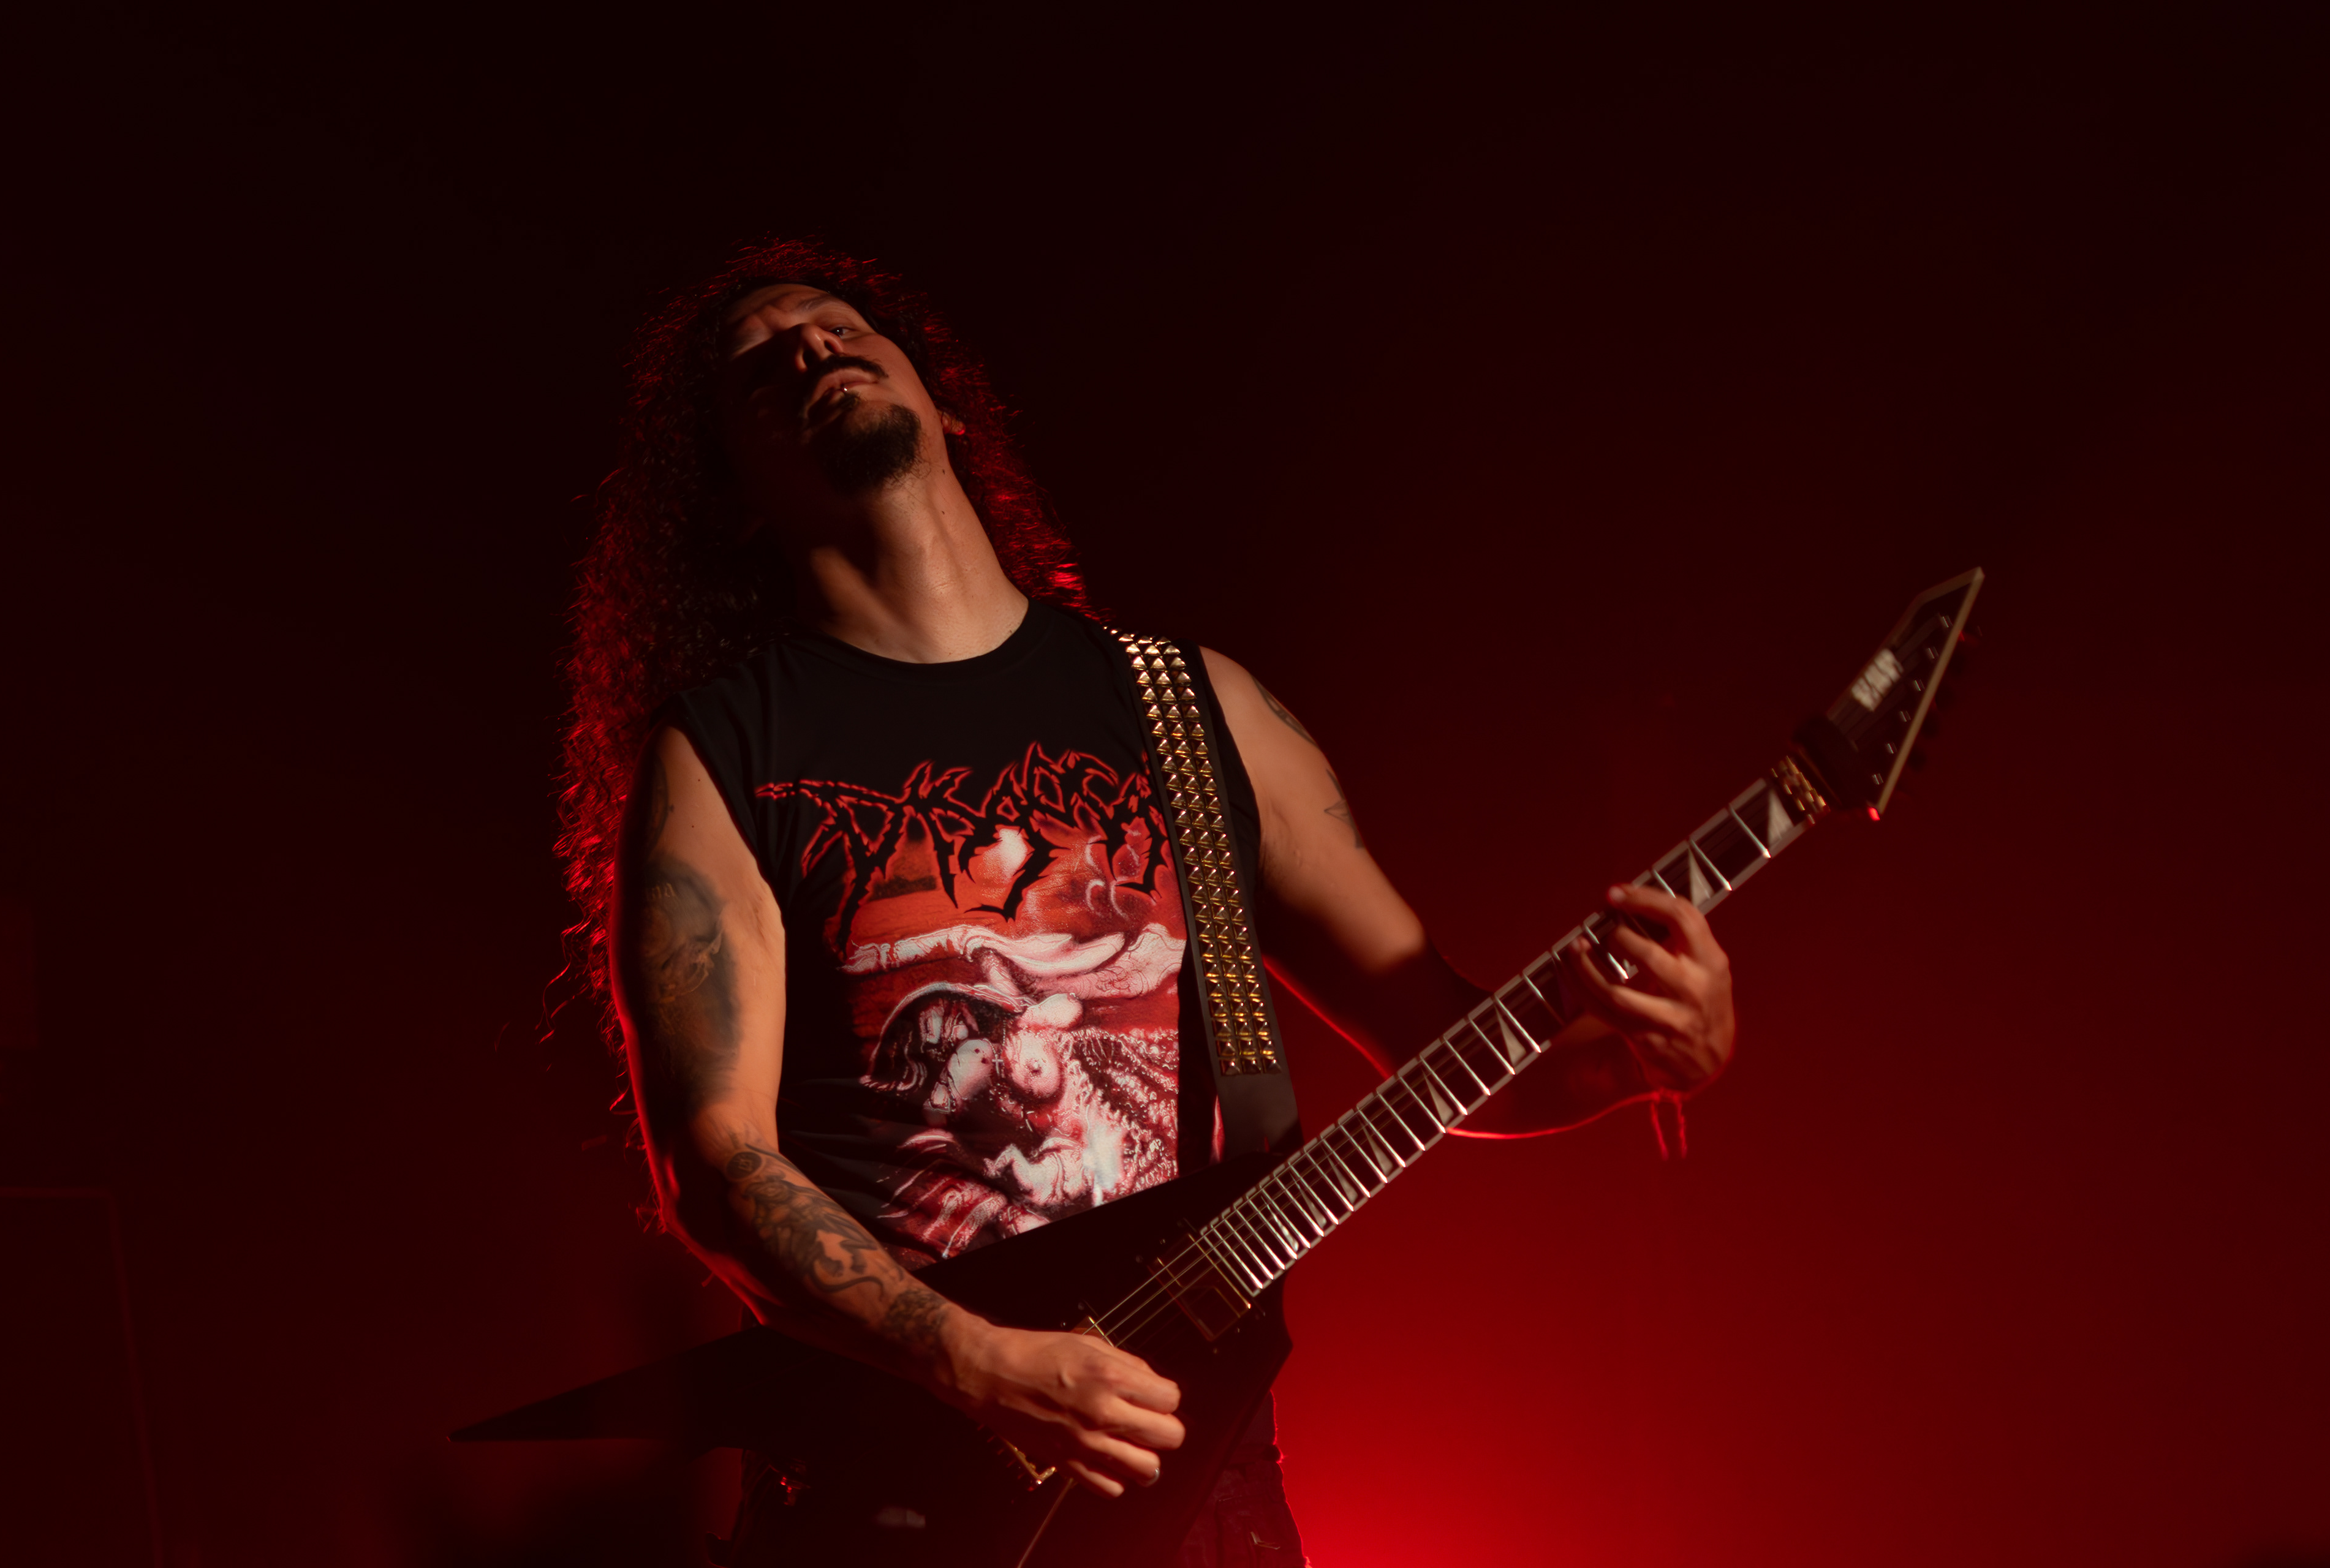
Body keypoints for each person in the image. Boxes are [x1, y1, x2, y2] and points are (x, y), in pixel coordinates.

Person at [559, 241, 1737, 1566]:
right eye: (760, 368)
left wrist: (1637, 1058)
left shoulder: (1192, 707)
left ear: (947, 405)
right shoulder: (725, 754)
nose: (811, 350)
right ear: (727, 497)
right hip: (888, 1504)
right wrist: (974, 1361)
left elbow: (1446, 1038)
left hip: (1200, 1495)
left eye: (840, 326)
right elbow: (716, 1168)